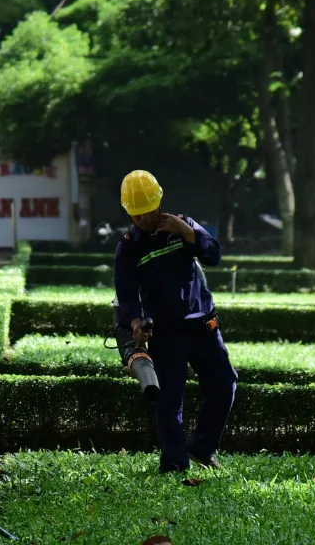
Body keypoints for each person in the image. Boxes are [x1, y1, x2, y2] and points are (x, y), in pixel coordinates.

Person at [113, 169, 237, 475]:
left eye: (150, 211)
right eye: (138, 214)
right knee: (169, 401)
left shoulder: (183, 225)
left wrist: (188, 232)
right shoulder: (128, 247)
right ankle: (174, 464)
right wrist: (135, 323)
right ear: (129, 212)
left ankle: (201, 448)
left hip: (204, 327)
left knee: (225, 386)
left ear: (160, 202)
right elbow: (126, 296)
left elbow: (214, 255)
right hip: (166, 333)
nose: (145, 219)